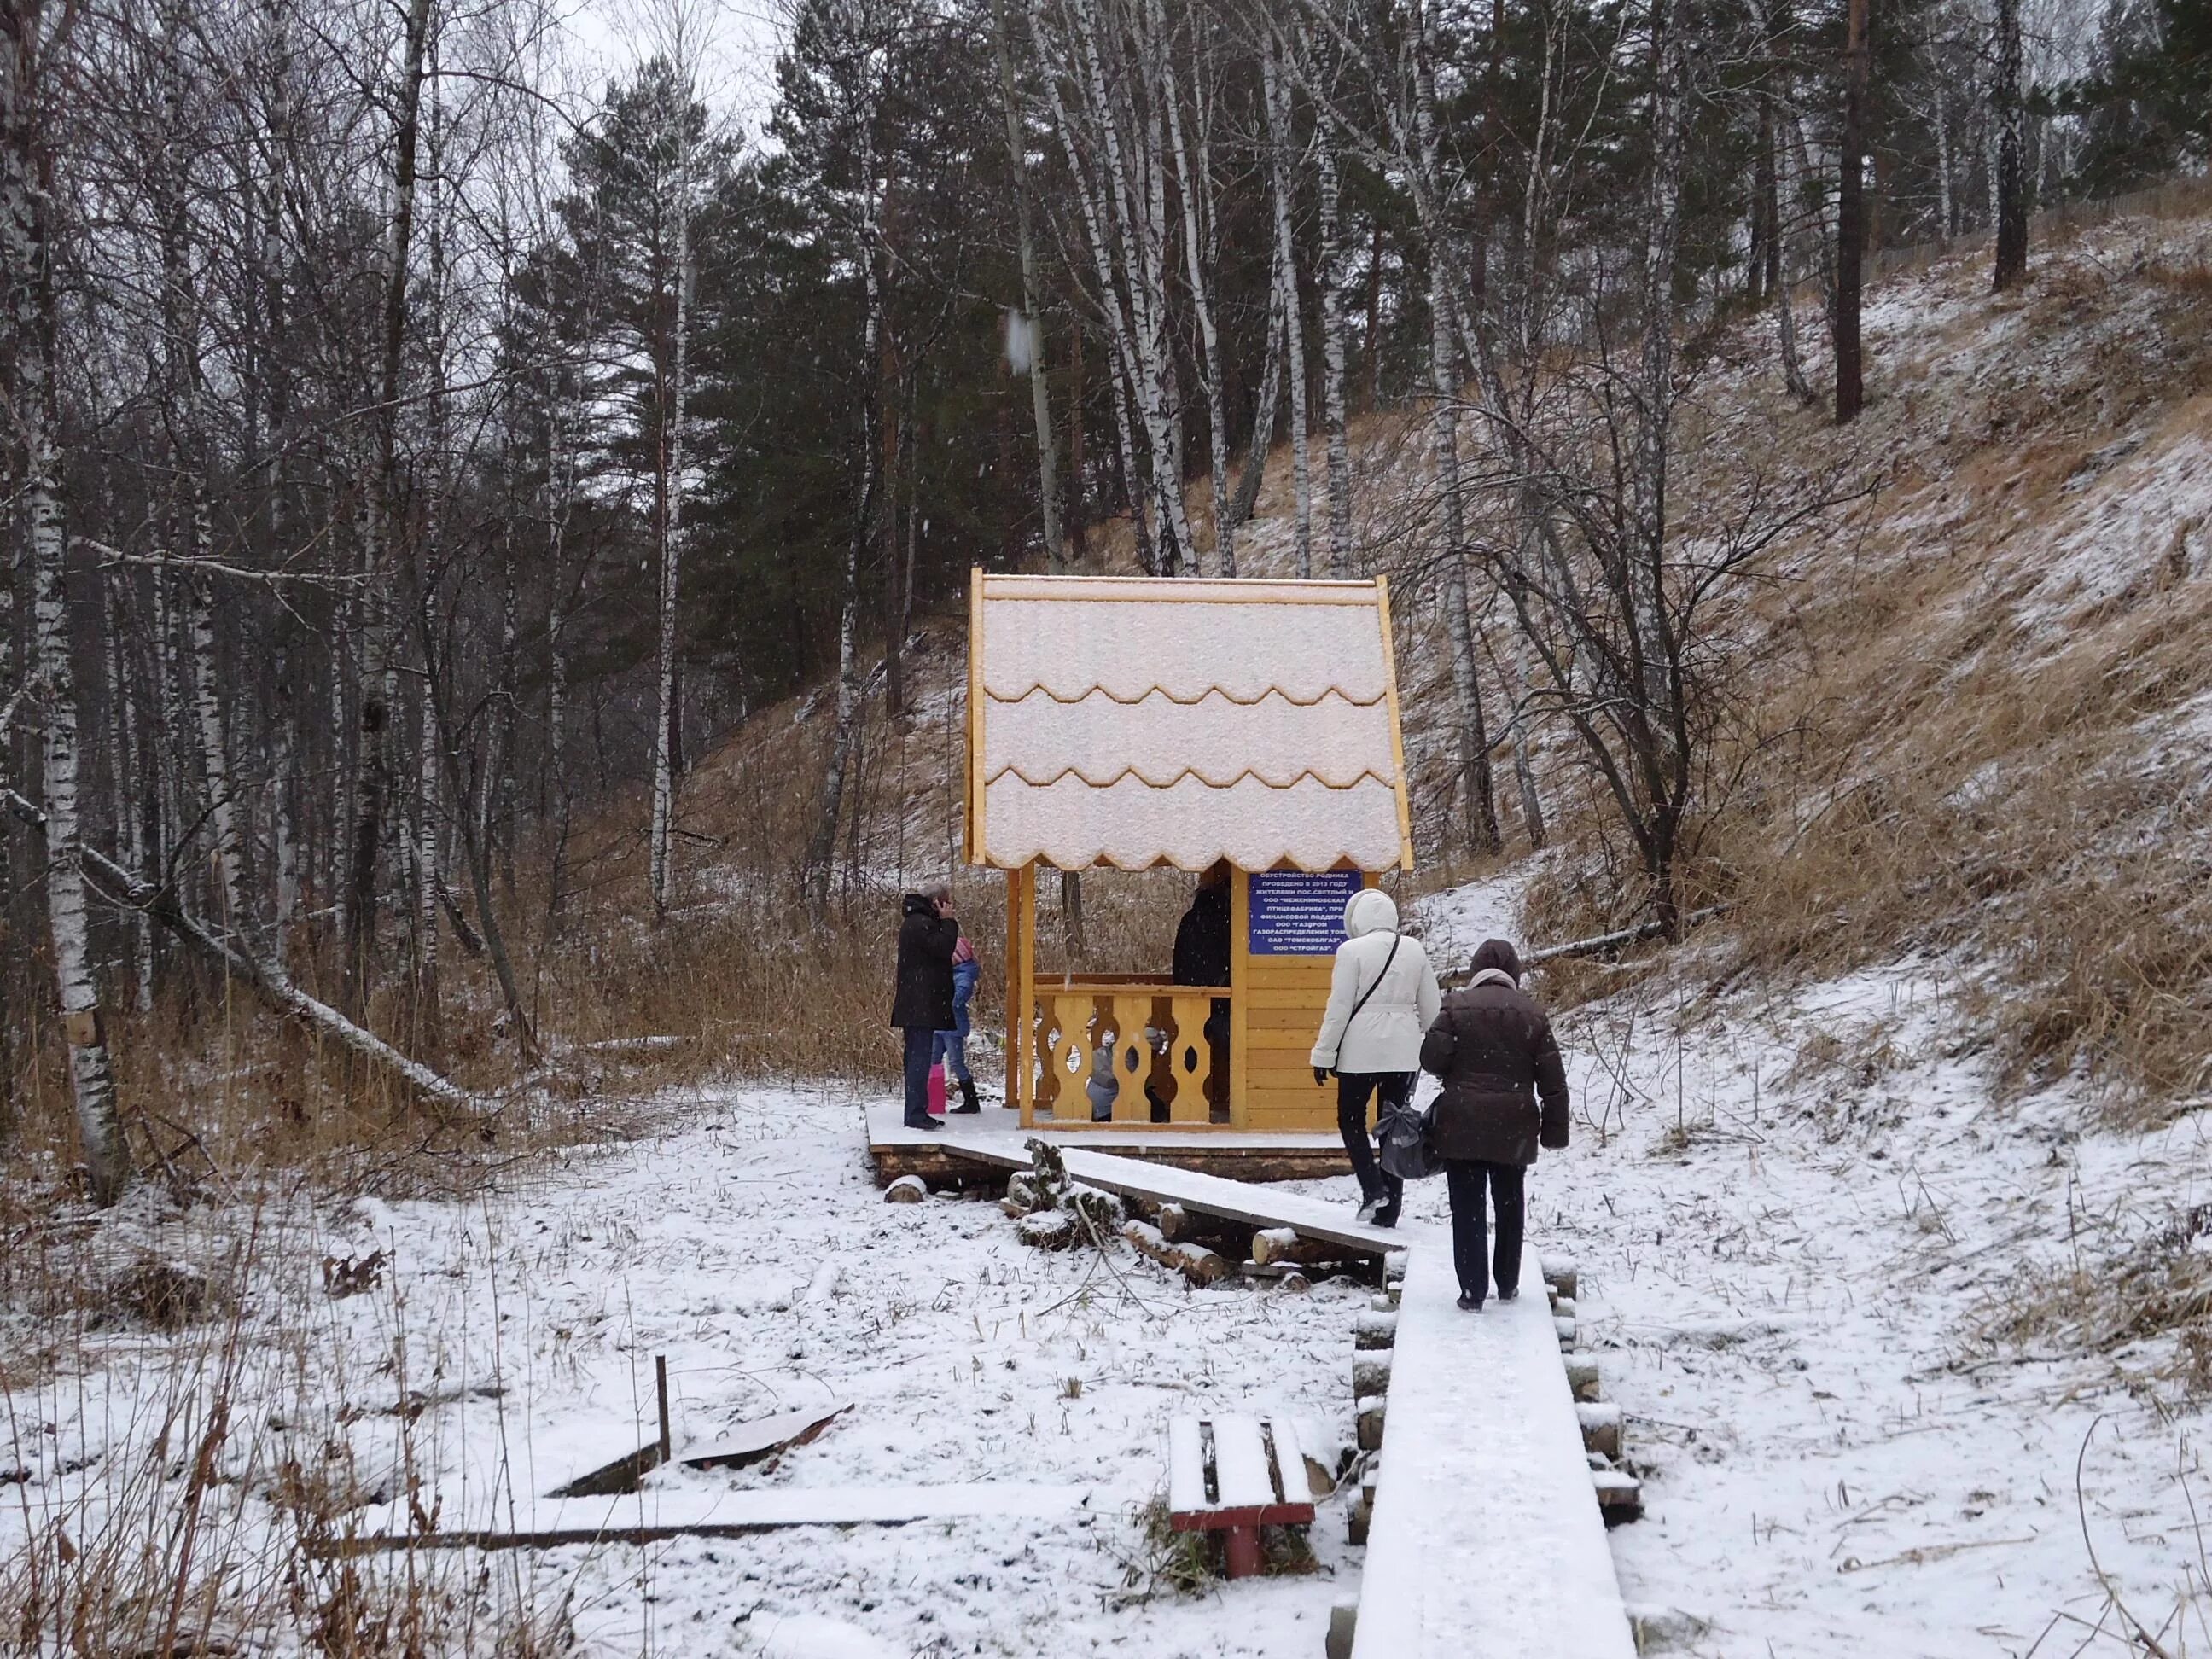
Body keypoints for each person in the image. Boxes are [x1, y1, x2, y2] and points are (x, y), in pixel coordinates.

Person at [1419, 938, 1570, 1310]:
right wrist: (1554, 1132)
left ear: (1475, 971)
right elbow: (1553, 1081)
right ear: (1514, 974)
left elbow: (1433, 1060)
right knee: (1509, 1202)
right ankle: (1507, 1283)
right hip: (1513, 1125)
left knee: (1468, 1207)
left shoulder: (1455, 1007)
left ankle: (1472, 1291)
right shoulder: (1533, 1014)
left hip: (1462, 1123)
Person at [1310, 888, 1441, 1228]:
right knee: (1393, 1124)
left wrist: (1323, 1054)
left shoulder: (1350, 951)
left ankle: (1372, 1188)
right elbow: (1431, 1011)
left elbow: (1338, 1009)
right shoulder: (1414, 950)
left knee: (1350, 1119)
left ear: (1358, 919)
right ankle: (1390, 1210)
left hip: (1359, 1052)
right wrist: (1437, 1052)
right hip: (1403, 1052)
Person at [891, 886, 959, 1132]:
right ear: (937, 904)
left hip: (917, 1005)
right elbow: (943, 948)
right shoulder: (921, 924)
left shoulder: (917, 922)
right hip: (920, 1005)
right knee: (919, 1059)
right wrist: (949, 922)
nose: (951, 907)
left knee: (917, 1058)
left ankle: (917, 1110)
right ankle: (916, 1113)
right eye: (947, 903)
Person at [1172, 861, 1232, 1115]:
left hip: (1191, 999)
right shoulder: (1228, 921)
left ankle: (1188, 1101)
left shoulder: (1191, 920)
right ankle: (1230, 1100)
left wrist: (1185, 988)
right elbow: (1229, 961)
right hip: (1222, 1002)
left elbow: (1179, 961)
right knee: (1231, 1047)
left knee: (1191, 1048)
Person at [935, 934, 982, 1114]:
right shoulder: (951, 972)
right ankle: (935, 1099)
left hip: (953, 1026)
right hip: (940, 1023)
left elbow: (960, 996)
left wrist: (942, 1000)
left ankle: (971, 1101)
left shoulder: (964, 975)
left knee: (956, 1062)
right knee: (933, 1059)